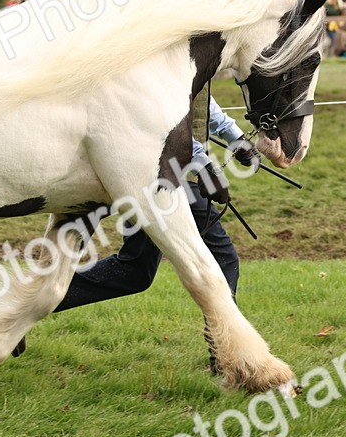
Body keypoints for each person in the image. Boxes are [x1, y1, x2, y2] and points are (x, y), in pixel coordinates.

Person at [43, 97, 258, 374]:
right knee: (223, 258)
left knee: (134, 271)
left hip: (162, 179)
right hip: (161, 178)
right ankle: (227, 356)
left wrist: (238, 139)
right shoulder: (169, 58)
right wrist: (205, 168)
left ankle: (34, 305)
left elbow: (205, 105)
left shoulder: (196, 57)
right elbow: (166, 121)